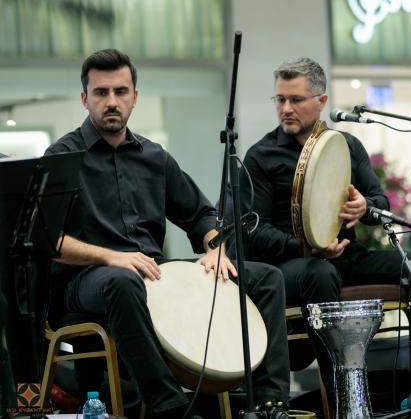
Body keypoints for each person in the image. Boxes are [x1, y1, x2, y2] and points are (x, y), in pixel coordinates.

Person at [45, 49, 291, 419]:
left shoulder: (155, 157)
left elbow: (201, 215)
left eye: (121, 92)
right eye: (101, 93)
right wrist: (111, 256)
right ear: (85, 98)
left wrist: (215, 247)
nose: (112, 102)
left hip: (154, 273)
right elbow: (47, 241)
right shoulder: (62, 156)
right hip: (86, 282)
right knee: (122, 281)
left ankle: (271, 404)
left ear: (135, 97)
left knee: (265, 278)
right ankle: (171, 409)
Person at [239, 57, 411, 410]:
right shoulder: (261, 157)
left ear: (321, 101)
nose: (285, 108)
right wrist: (306, 246)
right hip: (293, 265)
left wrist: (365, 208)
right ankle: (341, 397)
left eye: (295, 99)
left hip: (348, 257)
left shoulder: (345, 145)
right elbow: (253, 229)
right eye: (280, 100)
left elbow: (378, 202)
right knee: (321, 272)